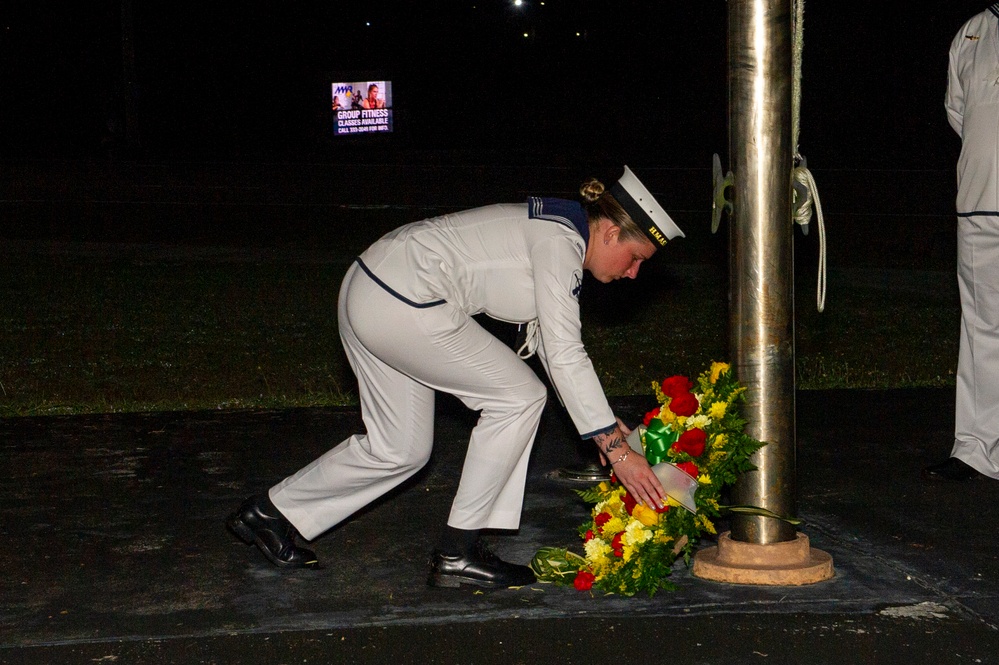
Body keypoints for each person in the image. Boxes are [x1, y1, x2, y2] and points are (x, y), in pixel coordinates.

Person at [227, 166, 685, 587]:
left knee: (400, 448)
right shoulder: (561, 243)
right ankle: (458, 553)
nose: (632, 273)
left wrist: (607, 428)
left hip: (370, 287)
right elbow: (566, 352)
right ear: (608, 232)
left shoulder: (556, 233)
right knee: (520, 396)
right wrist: (617, 451)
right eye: (634, 257)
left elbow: (551, 342)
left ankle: (269, 513)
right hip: (403, 299)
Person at [924, 5, 999, 482]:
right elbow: (959, 112)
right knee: (981, 331)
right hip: (979, 203)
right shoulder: (971, 33)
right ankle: (975, 450)